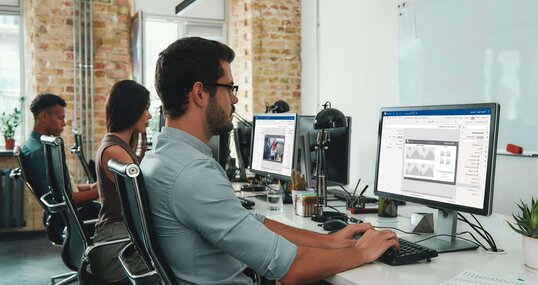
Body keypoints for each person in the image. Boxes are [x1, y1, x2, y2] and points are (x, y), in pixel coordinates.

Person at [141, 36, 399, 284]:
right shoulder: (192, 173)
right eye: (229, 88)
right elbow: (290, 269)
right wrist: (362, 252)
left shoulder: (161, 158)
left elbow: (250, 223)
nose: (235, 98)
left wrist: (331, 241)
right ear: (199, 93)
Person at [90, 80, 151, 282]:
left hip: (120, 238)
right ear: (132, 110)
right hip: (117, 250)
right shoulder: (115, 151)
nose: (149, 115)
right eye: (146, 109)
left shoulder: (115, 145)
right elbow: (145, 199)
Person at [21, 94, 100, 242]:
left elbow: (63, 188)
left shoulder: (36, 145)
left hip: (66, 214)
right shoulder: (40, 153)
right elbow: (63, 199)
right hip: (68, 219)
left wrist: (91, 187)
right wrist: (101, 191)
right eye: (60, 118)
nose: (64, 124)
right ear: (44, 116)